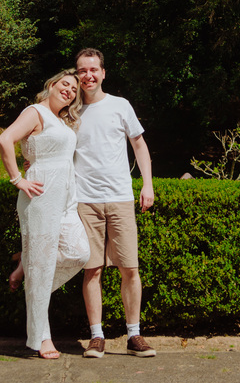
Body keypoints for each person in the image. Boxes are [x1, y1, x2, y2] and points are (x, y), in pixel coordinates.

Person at [0, 69, 90, 359]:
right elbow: (4, 139)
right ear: (50, 84)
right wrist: (17, 179)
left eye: (74, 89)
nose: (69, 91)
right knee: (41, 264)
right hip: (39, 197)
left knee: (80, 252)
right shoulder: (35, 112)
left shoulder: (62, 121)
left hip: (65, 197)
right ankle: (42, 338)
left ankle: (28, 267)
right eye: (65, 84)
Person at [73, 48, 156, 359]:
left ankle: (134, 335)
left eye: (93, 69)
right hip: (85, 201)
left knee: (129, 269)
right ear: (77, 74)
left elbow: (139, 145)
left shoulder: (120, 106)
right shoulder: (71, 111)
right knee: (91, 270)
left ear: (103, 73)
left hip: (120, 198)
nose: (88, 75)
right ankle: (96, 337)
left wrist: (147, 184)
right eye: (82, 70)